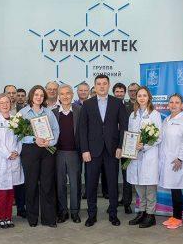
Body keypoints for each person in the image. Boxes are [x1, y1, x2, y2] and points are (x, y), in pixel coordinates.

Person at [78, 74, 129, 227]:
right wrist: (84, 150)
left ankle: (113, 214)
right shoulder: (87, 104)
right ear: (95, 86)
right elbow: (82, 129)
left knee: (113, 184)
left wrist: (120, 146)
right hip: (92, 151)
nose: (101, 86)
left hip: (112, 150)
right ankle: (91, 215)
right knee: (91, 184)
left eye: (104, 83)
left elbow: (124, 126)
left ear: (108, 85)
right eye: (99, 84)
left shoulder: (117, 103)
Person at [19, 86, 59, 227]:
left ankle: (49, 218)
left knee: (48, 184)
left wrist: (50, 142)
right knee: (31, 184)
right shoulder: (23, 113)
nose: (39, 97)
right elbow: (18, 134)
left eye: (41, 95)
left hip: (47, 150)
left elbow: (56, 130)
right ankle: (32, 218)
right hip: (30, 150)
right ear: (31, 96)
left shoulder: (49, 112)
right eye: (36, 94)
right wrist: (34, 139)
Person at [126, 87, 162, 228]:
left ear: (149, 98)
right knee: (139, 185)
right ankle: (141, 212)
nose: (141, 98)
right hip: (135, 155)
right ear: (136, 98)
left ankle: (150, 214)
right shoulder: (133, 115)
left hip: (149, 155)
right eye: (139, 95)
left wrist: (144, 146)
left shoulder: (155, 114)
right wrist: (130, 147)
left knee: (150, 187)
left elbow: (158, 137)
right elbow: (130, 134)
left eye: (144, 95)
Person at [159, 94, 183, 229]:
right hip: (167, 160)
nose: (173, 105)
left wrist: (180, 158)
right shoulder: (166, 120)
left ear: (182, 105)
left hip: (178, 160)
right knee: (173, 189)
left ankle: (178, 218)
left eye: (177, 102)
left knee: (177, 188)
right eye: (171, 102)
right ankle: (174, 216)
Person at [0, 94, 24, 228]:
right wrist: (7, 154)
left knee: (11, 191)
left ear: (11, 104)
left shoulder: (16, 119)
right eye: (2, 103)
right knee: (2, 191)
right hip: (1, 160)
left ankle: (8, 217)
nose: (5, 105)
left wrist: (17, 151)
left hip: (14, 158)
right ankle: (1, 217)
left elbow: (20, 138)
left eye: (7, 102)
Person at [52, 85, 82, 224]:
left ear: (72, 95)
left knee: (75, 184)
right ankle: (62, 211)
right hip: (57, 153)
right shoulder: (52, 113)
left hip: (74, 153)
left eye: (68, 93)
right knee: (60, 184)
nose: (65, 96)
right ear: (58, 96)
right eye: (62, 94)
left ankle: (75, 212)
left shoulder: (80, 110)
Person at [113, 82, 133, 213]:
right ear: (113, 92)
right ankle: (113, 202)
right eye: (117, 91)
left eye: (122, 92)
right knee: (113, 175)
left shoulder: (131, 106)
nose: (119, 94)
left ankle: (127, 203)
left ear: (125, 93)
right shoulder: (109, 105)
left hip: (127, 145)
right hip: (112, 145)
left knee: (127, 175)